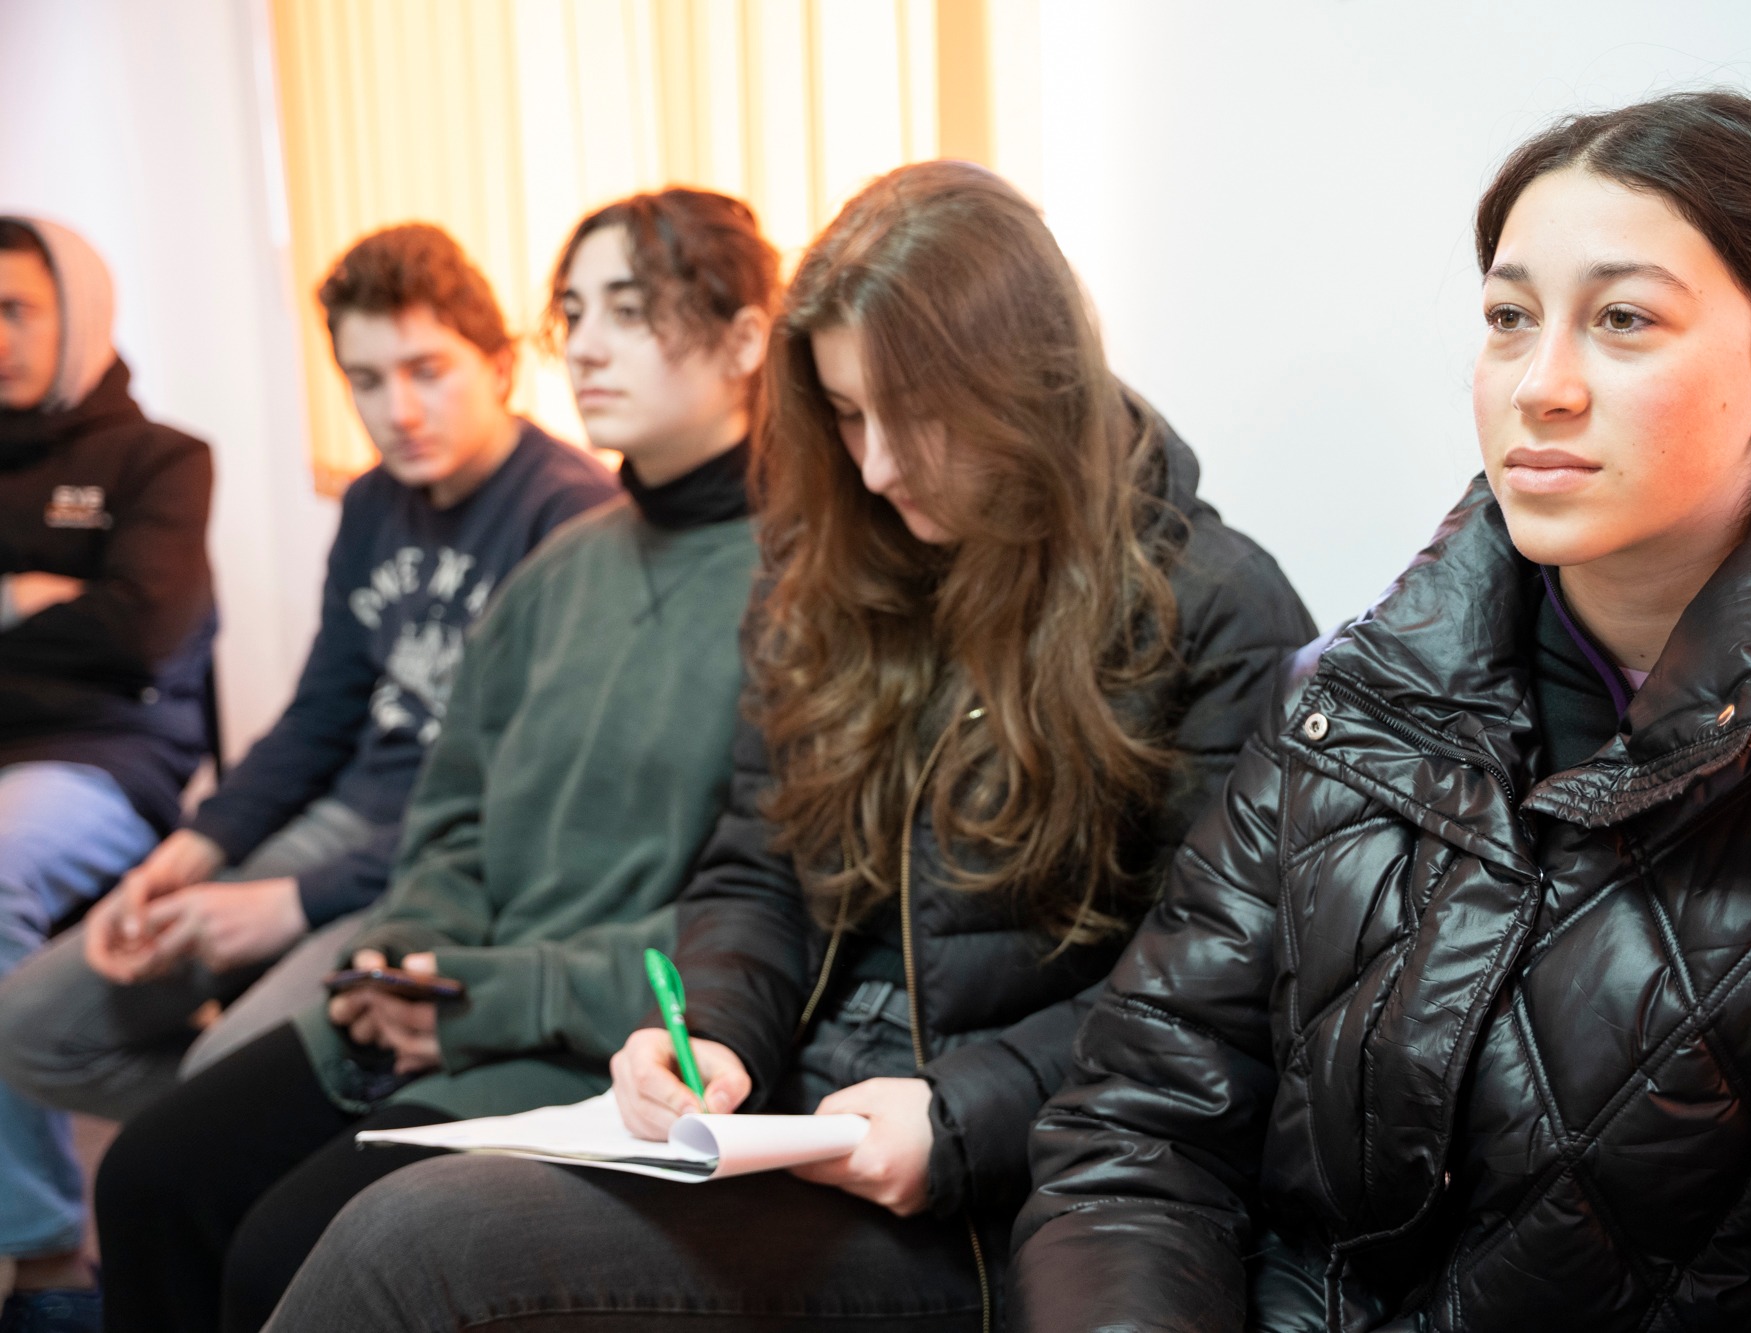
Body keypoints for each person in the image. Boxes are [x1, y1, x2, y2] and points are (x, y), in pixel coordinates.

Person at [264, 160, 1318, 1333]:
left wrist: (957, 1115)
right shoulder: (832, 569)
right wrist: (711, 1030)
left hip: (1006, 1191)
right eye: (849, 416)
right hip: (787, 1125)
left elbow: (1209, 997)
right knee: (388, 1224)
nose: (876, 467)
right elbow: (757, 870)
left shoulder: (1216, 611)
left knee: (413, 1249)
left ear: (1026, 383)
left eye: (913, 417)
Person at [1009, 90, 1751, 1331]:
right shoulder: (1348, 693)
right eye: (1507, 318)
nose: (1539, 385)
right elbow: (1136, 1128)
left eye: (1622, 320)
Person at [93, 186, 782, 1333]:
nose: (585, 346)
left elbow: (756, 919)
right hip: (448, 1001)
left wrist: (476, 1000)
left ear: (747, 338)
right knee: (147, 1177)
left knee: (280, 1255)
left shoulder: (805, 583)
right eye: (574, 311)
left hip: (591, 1046)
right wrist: (407, 960)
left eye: (629, 309)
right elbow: (451, 810)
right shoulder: (562, 567)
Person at [0, 215, 214, 1324]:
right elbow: (97, 623)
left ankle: (38, 1249)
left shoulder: (160, 458)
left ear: (78, 313)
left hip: (103, 760)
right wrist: (33, 602)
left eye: (15, 310)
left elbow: (139, 631)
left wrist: (35, 621)